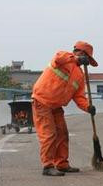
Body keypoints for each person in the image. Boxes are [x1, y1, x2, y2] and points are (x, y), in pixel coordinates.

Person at [32, 41, 97, 176]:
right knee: (49, 134)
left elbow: (79, 97)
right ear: (79, 52)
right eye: (88, 59)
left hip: (56, 106)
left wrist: (88, 107)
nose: (87, 62)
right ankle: (48, 165)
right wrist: (76, 59)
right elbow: (58, 58)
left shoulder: (79, 75)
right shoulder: (64, 57)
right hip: (42, 101)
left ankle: (62, 164)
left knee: (62, 134)